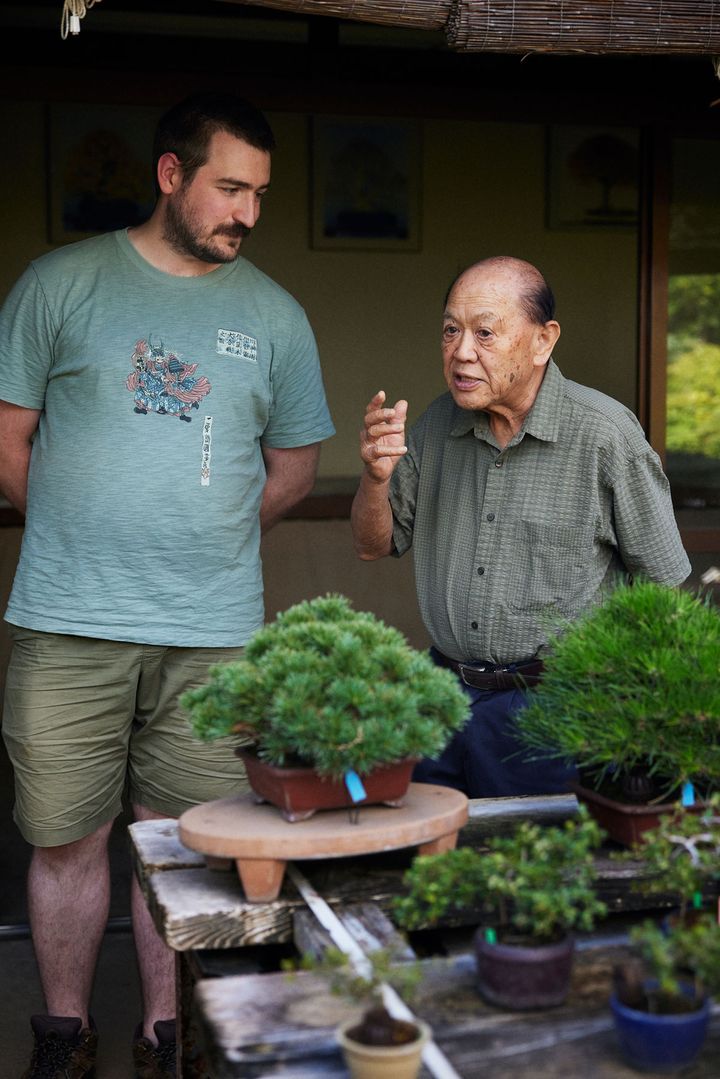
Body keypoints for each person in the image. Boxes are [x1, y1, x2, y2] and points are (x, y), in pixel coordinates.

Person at [0, 92, 335, 1079]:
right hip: (69, 618)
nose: (247, 210)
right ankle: (62, 1032)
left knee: (186, 844)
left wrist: (207, 537)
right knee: (67, 840)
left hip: (213, 629)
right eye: (230, 186)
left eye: (261, 193)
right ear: (170, 174)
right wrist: (80, 524)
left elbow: (294, 470)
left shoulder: (275, 315)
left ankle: (165, 1033)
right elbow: (7, 443)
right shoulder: (61, 285)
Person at [351, 255, 690, 800]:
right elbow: (374, 544)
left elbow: (664, 589)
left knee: (536, 870)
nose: (462, 351)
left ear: (542, 341)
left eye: (485, 333)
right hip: (442, 693)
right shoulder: (437, 424)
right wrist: (373, 477)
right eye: (451, 331)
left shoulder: (604, 435)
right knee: (434, 864)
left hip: (559, 704)